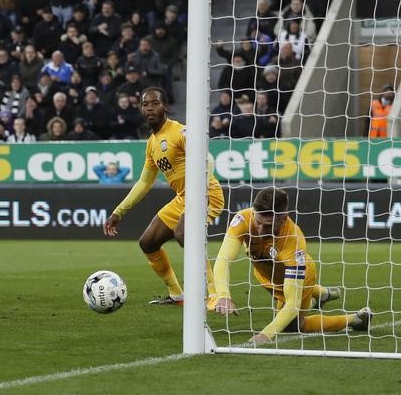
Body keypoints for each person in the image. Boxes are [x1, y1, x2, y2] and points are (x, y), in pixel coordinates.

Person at [103, 87, 225, 307]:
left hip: (207, 194)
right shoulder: (152, 144)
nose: (149, 108)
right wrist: (118, 212)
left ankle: (215, 295)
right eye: (145, 104)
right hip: (183, 198)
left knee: (183, 233)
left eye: (154, 103)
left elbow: (208, 160)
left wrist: (201, 192)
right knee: (148, 243)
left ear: (165, 106)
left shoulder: (180, 132)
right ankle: (178, 295)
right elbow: (144, 182)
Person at [213, 188, 372, 344]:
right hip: (267, 276)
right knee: (284, 316)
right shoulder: (243, 219)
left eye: (268, 226)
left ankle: (355, 319)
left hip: (299, 277)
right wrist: (223, 295)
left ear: (283, 218)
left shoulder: (293, 241)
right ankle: (322, 293)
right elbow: (223, 259)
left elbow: (293, 304)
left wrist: (265, 335)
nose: (261, 230)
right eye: (258, 222)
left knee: (294, 326)